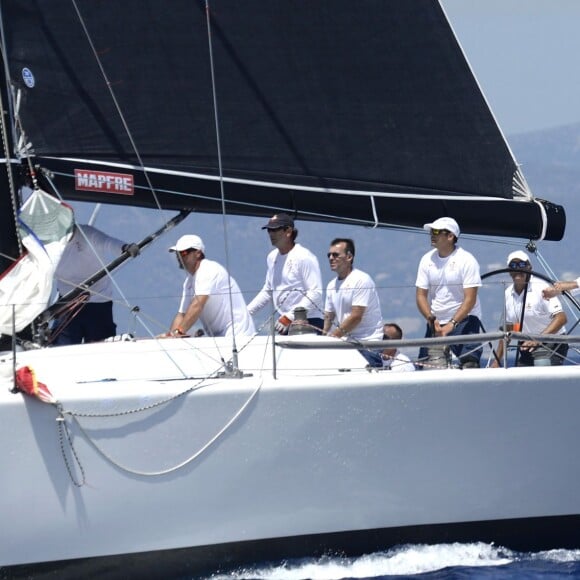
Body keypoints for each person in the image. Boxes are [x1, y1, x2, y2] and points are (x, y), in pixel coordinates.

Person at [53, 224, 139, 345]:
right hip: (67, 305)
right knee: (60, 350)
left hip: (98, 304)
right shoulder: (47, 243)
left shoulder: (86, 233)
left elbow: (107, 242)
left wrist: (125, 247)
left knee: (101, 349)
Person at [415, 217, 482, 368]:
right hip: (436, 322)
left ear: (450, 236)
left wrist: (452, 324)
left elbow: (470, 299)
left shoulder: (466, 260)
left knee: (469, 363)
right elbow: (420, 295)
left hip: (465, 320)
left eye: (437, 231)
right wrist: (431, 319)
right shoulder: (426, 259)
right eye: (432, 231)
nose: (432, 234)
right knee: (426, 366)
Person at [166, 234, 255, 338]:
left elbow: (197, 305)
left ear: (198, 253)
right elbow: (182, 314)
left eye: (183, 253)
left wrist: (179, 332)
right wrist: (171, 337)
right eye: (177, 253)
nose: (179, 256)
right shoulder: (189, 282)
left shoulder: (208, 270)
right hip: (219, 338)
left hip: (239, 336)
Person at [247, 213, 323, 334]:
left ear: (288, 231)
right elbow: (268, 291)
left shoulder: (304, 256)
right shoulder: (272, 258)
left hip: (309, 321)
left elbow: (316, 293)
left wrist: (290, 316)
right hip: (284, 322)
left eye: (275, 229)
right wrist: (246, 313)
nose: (271, 234)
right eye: (269, 230)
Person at [492, 251, 568, 367]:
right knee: (519, 382)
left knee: (542, 376)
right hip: (527, 344)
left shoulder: (541, 287)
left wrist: (538, 339)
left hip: (552, 343)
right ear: (509, 271)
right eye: (513, 265)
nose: (518, 269)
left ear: (529, 268)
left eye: (522, 265)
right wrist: (497, 361)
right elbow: (509, 327)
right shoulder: (508, 293)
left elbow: (561, 318)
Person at [323, 238, 383, 366]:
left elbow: (356, 317)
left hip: (367, 345)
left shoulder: (361, 280)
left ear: (349, 257)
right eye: (329, 255)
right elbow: (329, 315)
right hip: (346, 344)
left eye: (336, 255)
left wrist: (332, 338)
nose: (331, 258)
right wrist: (323, 337)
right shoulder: (331, 285)